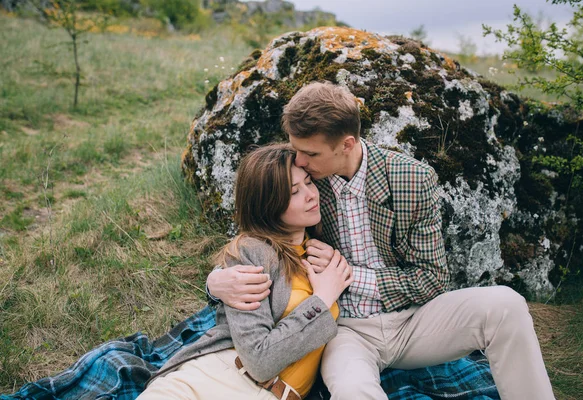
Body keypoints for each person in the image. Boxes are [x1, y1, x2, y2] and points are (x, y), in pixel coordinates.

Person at [206, 82, 556, 400]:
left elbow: (432, 280)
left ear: (347, 145)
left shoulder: (412, 179)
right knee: (354, 389)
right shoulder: (307, 176)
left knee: (506, 305)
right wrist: (216, 282)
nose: (298, 161)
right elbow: (259, 227)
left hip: (415, 321)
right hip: (345, 331)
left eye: (309, 155)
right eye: (297, 151)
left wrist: (345, 274)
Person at [139, 144, 353, 400]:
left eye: (309, 182)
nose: (310, 195)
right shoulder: (254, 252)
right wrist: (321, 300)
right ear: (268, 204)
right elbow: (260, 360)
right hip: (216, 380)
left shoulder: (323, 252)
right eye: (294, 191)